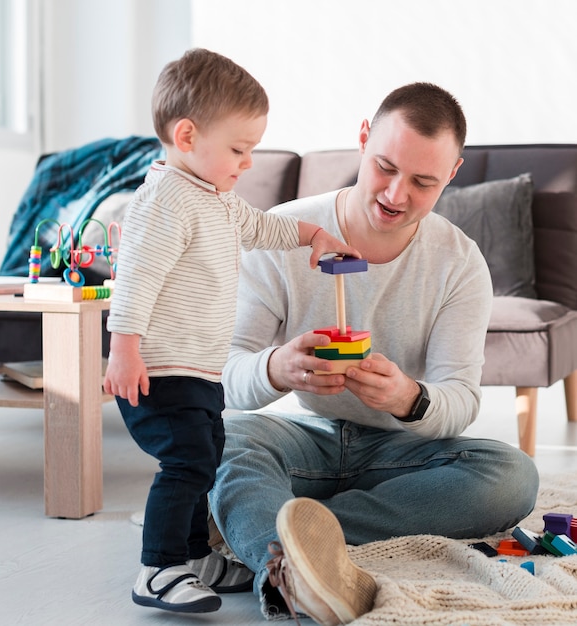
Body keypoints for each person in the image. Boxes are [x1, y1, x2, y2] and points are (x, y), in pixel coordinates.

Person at [209, 82, 540, 624]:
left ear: (452, 174)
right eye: (385, 167)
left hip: (399, 459)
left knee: (511, 476)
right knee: (220, 438)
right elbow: (222, 378)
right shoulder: (284, 234)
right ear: (363, 139)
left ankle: (292, 537)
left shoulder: (459, 262)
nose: (395, 194)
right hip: (303, 441)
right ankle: (289, 566)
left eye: (422, 181)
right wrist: (277, 368)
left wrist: (409, 398)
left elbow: (461, 398)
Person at [102, 48, 359, 616]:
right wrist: (123, 350)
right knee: (188, 462)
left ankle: (193, 555)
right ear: (187, 135)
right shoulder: (166, 201)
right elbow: (135, 279)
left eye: (252, 151)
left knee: (206, 455)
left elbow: (263, 226)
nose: (247, 163)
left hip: (197, 369)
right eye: (239, 150)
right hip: (159, 366)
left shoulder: (215, 199)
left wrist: (313, 233)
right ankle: (158, 567)